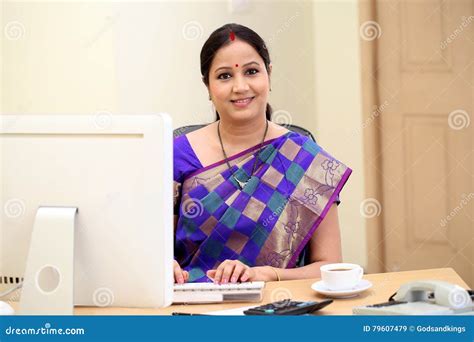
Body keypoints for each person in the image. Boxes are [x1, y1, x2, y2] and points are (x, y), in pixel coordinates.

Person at [173, 23, 352, 284]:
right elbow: (152, 254)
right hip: (190, 307)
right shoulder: (177, 154)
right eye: (224, 76)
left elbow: (330, 266)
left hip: (274, 307)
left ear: (269, 75)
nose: (240, 86)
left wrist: (269, 275)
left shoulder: (304, 159)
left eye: (252, 71)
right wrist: (163, 268)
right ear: (207, 86)